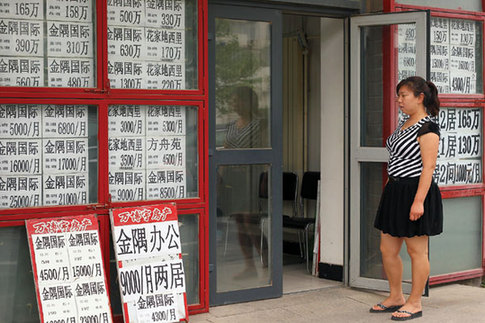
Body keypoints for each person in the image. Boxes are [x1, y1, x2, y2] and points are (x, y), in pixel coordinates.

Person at [370, 76, 443, 321]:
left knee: (416, 251)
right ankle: (395, 296)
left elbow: (428, 168)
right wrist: (389, 188)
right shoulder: (405, 123)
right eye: (398, 95)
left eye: (404, 96)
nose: (399, 100)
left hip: (416, 191)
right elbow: (396, 160)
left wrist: (419, 201)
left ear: (420, 97)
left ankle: (415, 302)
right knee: (387, 249)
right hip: (395, 191)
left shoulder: (428, 128)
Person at [221, 86, 268, 279]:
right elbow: (225, 150)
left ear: (248, 102)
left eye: (237, 100)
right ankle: (249, 266)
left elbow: (266, 151)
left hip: (251, 177)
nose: (234, 104)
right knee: (239, 222)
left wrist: (265, 177)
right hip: (234, 179)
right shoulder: (232, 126)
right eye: (233, 101)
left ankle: (266, 256)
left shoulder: (259, 125)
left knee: (250, 222)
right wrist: (221, 178)